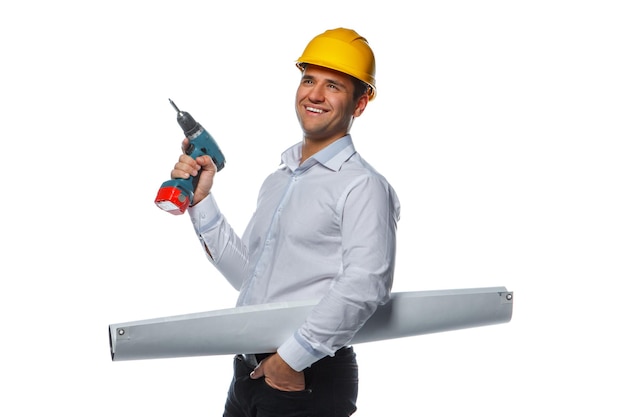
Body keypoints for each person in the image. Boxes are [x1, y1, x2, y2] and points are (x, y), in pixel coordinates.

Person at [170, 27, 400, 417]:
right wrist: (202, 200)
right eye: (309, 79)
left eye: (334, 86)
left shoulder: (363, 185)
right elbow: (253, 277)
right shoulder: (279, 180)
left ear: (360, 104)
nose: (314, 94)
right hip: (248, 374)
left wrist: (292, 358)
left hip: (305, 378)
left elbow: (365, 285)